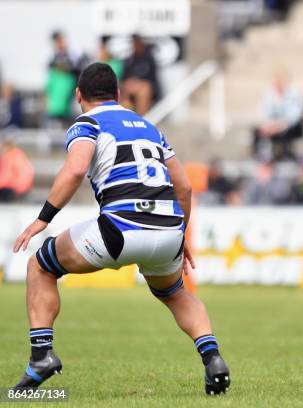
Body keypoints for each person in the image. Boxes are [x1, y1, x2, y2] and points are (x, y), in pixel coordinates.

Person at [11, 63, 230, 395]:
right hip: (168, 227)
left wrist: (44, 218)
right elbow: (183, 187)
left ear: (79, 95)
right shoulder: (148, 126)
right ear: (117, 94)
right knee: (175, 293)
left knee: (40, 266)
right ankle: (213, 358)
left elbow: (75, 169)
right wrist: (181, 235)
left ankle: (41, 356)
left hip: (121, 227)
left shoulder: (87, 122)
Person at [252, 71, 303, 161]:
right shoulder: (268, 94)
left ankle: (285, 157)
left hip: (287, 126)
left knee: (287, 132)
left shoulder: (293, 94)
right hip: (272, 126)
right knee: (256, 132)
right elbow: (263, 113)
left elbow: (294, 116)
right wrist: (270, 126)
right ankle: (260, 159)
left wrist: (279, 126)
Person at [121, 34, 160, 115]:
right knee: (124, 89)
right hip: (129, 91)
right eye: (134, 44)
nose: (135, 47)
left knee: (144, 90)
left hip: (145, 89)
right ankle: (125, 118)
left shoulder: (149, 60)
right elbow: (124, 79)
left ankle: (141, 119)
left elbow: (151, 81)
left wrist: (137, 84)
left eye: (137, 44)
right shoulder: (129, 61)